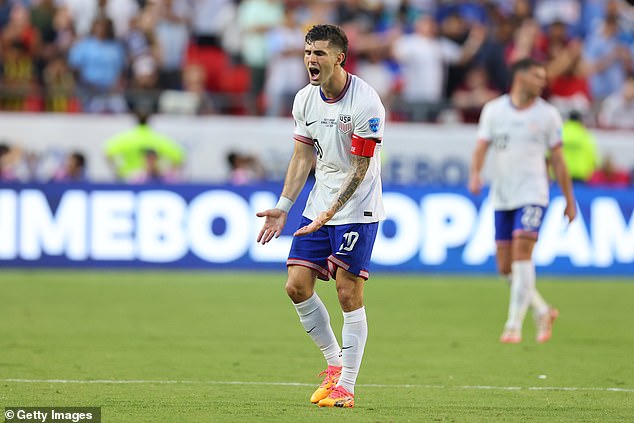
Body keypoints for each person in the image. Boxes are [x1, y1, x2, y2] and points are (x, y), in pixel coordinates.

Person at [256, 24, 385, 408]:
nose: (311, 59)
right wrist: (283, 206)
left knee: (348, 291)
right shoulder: (304, 100)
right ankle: (333, 363)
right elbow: (302, 156)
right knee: (296, 286)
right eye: (308, 52)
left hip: (357, 207)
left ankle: (346, 385)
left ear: (339, 58)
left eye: (320, 53)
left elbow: (361, 167)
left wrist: (332, 210)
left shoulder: (366, 102)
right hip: (318, 204)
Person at [469, 58, 576, 344]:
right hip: (503, 195)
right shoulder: (494, 110)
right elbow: (481, 147)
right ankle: (542, 310)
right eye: (538, 76)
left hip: (533, 194)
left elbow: (558, 160)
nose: (543, 81)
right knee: (505, 267)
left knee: (522, 255)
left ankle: (513, 325)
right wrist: (476, 174)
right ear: (521, 77)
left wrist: (569, 199)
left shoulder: (549, 115)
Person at [104, 109, 185, 182]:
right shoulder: (157, 138)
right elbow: (179, 156)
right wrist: (170, 173)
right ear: (149, 120)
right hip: (151, 180)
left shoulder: (126, 138)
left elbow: (108, 152)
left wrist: (118, 172)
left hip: (128, 179)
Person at [561, 110, 599, 183]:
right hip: (579, 174)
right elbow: (592, 156)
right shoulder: (584, 134)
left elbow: (550, 153)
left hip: (560, 174)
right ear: (580, 120)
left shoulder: (560, 133)